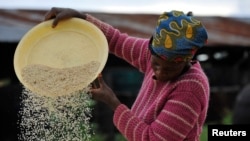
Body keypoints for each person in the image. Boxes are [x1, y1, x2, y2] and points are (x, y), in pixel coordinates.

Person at [44, 7, 209, 141]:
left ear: (184, 62)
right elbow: (116, 40)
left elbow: (152, 139)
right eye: (156, 64)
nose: (159, 73)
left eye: (169, 69)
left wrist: (112, 102)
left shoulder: (190, 88)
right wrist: (81, 18)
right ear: (151, 50)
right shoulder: (152, 52)